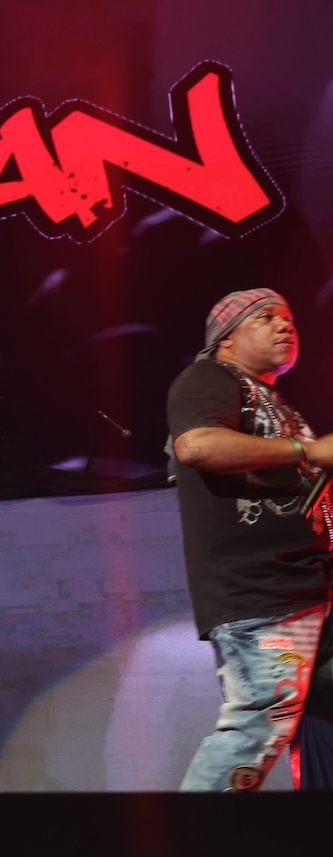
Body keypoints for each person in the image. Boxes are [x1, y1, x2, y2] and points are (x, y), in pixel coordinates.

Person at [166, 288, 333, 791]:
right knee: (259, 723)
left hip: (310, 589)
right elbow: (196, 445)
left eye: (289, 317)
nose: (286, 325)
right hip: (264, 593)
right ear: (227, 337)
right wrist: (308, 449)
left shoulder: (279, 405)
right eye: (266, 317)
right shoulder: (208, 377)